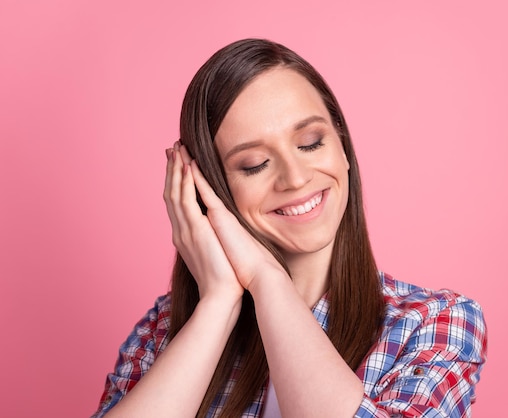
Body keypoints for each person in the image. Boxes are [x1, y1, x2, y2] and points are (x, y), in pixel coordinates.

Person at [92, 38, 487, 418]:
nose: (296, 178)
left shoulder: (434, 322)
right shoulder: (166, 330)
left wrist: (268, 281)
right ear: (209, 189)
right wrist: (217, 304)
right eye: (254, 164)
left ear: (342, 146)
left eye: (312, 142)